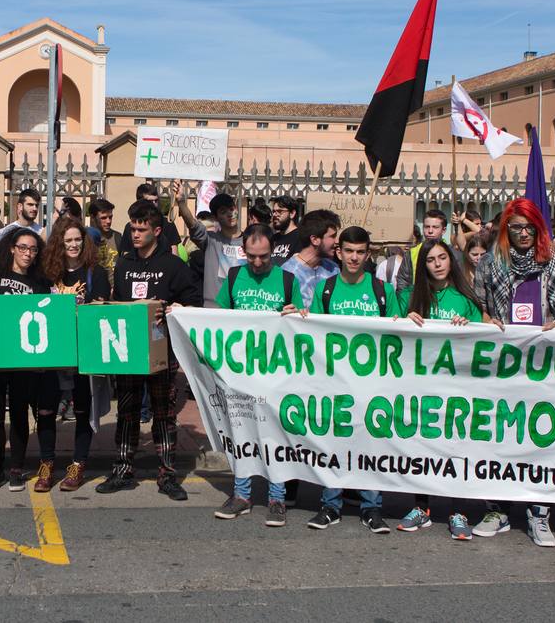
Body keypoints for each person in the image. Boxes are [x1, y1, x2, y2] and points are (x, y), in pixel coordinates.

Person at [470, 196, 555, 546]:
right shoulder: (490, 264)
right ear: (506, 229)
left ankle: (539, 511)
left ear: (539, 228)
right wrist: (489, 323)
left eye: (529, 227)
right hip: (502, 363)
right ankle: (497, 509)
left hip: (544, 364)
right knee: (498, 435)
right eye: (516, 227)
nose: (523, 234)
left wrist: (554, 328)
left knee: (541, 436)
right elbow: (480, 308)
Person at [98, 199, 200, 499]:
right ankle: (122, 470)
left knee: (163, 414)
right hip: (129, 351)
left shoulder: (173, 266)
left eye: (141, 230)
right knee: (127, 412)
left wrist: (174, 308)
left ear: (157, 231)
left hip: (161, 353)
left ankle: (167, 475)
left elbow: (193, 303)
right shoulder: (124, 264)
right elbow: (118, 302)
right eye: (132, 229)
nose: (135, 234)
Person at [305, 225, 402, 535]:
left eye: (360, 252)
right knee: (334, 443)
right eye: (349, 251)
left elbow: (398, 334)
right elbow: (314, 333)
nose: (354, 258)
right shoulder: (325, 289)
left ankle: (371, 508)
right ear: (339, 252)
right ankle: (330, 505)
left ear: (368, 253)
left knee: (371, 444)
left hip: (373, 384)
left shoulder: (383, 291)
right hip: (335, 383)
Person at [396, 240, 488, 539]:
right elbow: (390, 334)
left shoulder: (466, 299)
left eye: (442, 258)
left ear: (452, 261)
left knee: (455, 446)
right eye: (430, 259)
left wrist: (470, 326)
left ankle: (458, 510)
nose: (437, 264)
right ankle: (421, 507)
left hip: (456, 387)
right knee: (419, 445)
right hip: (419, 386)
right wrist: (403, 321)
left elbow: (482, 340)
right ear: (422, 265)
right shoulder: (407, 296)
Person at [211, 224, 300, 526]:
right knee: (242, 433)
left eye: (263, 256)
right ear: (243, 252)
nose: (258, 262)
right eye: (251, 256)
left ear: (273, 251)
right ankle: (242, 495)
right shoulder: (234, 276)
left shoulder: (287, 280)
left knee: (276, 435)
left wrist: (296, 314)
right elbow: (217, 320)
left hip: (276, 374)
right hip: (240, 373)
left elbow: (303, 326)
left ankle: (277, 498)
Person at [0, 229, 50, 490]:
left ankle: (16, 468)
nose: (28, 254)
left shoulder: (40, 282)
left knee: (19, 412)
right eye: (23, 248)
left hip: (24, 355)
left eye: (33, 249)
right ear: (11, 248)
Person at [41, 214, 110, 491]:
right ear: (58, 243)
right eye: (67, 240)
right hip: (52, 352)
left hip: (83, 351)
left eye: (77, 240)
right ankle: (46, 464)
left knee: (82, 410)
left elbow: (101, 310)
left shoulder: (97, 273)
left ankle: (78, 465)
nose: (73, 245)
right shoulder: (48, 273)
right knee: (46, 410)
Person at [175, 182, 244, 309]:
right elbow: (193, 225)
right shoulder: (210, 240)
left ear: (236, 209)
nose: (229, 214)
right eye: (223, 212)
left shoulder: (250, 241)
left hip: (243, 307)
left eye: (231, 209)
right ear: (215, 218)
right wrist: (181, 203)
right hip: (214, 309)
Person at [280, 209, 341, 308]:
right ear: (315, 240)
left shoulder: (334, 269)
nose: (337, 241)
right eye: (332, 236)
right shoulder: (287, 272)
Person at [87, 198, 123, 277]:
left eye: (110, 217)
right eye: (103, 218)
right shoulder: (86, 238)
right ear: (92, 218)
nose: (108, 221)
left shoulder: (117, 237)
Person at [268, 195, 302, 264]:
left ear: (292, 213)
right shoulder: (273, 238)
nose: (274, 215)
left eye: (279, 211)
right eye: (274, 211)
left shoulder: (301, 238)